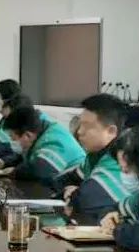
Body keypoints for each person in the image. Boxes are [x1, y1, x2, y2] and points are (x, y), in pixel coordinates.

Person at [55, 94, 131, 223]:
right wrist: (72, 191)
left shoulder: (121, 159)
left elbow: (86, 201)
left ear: (111, 131)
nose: (80, 131)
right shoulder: (94, 156)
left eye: (87, 126)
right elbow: (61, 181)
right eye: (80, 125)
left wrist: (75, 193)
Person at [0, 106, 86, 187]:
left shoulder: (53, 139)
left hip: (76, 185)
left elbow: (40, 170)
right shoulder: (40, 132)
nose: (12, 142)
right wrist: (5, 162)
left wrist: (14, 172)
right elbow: (29, 159)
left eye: (14, 139)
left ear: (28, 135)